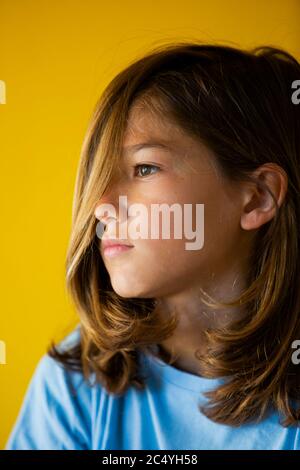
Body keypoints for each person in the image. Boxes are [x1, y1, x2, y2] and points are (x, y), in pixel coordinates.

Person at [5, 41, 300, 450]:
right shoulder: (79, 380)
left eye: (144, 167)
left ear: (257, 197)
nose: (101, 205)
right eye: (100, 174)